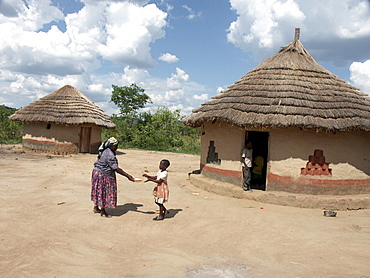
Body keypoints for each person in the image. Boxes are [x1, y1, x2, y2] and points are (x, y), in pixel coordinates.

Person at [91, 137, 134, 218]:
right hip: (103, 175)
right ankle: (103, 211)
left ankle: (96, 207)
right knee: (104, 192)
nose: (117, 147)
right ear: (110, 146)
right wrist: (128, 176)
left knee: (98, 191)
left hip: (97, 172)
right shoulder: (110, 154)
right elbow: (116, 168)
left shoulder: (105, 150)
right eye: (115, 146)